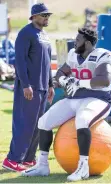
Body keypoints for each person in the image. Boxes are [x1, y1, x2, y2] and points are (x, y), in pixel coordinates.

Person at [22, 27, 111, 181]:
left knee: (82, 120)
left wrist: (79, 82)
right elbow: (60, 73)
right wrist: (64, 80)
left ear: (89, 43)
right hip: (74, 99)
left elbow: (104, 80)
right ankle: (43, 165)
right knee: (44, 122)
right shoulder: (73, 55)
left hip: (98, 99)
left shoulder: (103, 55)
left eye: (78, 40)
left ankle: (84, 167)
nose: (75, 43)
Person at [2, 3, 55, 172]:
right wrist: (25, 85)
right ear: (33, 16)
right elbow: (20, 61)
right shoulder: (26, 34)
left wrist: (51, 85)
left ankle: (28, 159)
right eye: (43, 15)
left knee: (38, 125)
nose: (47, 18)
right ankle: (12, 160)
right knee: (25, 124)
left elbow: (47, 63)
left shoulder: (44, 35)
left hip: (43, 87)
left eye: (48, 15)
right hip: (29, 87)